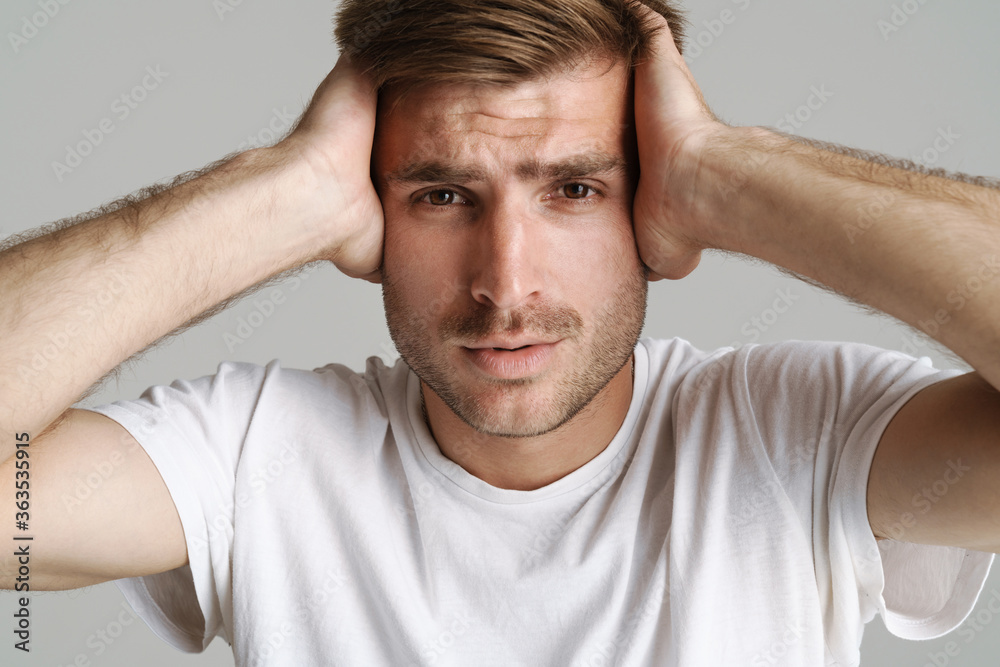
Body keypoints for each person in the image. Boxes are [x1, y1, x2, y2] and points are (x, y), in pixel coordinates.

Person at [1, 0, 998, 664]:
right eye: (442, 193)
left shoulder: (803, 436)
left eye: (573, 188)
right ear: (371, 209)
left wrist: (732, 172)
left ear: (654, 206)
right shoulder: (252, 457)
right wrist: (279, 194)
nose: (504, 284)